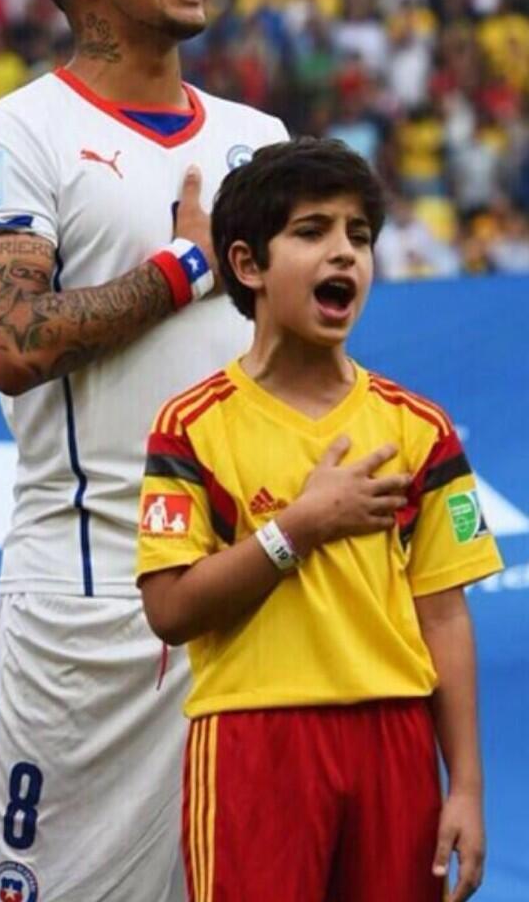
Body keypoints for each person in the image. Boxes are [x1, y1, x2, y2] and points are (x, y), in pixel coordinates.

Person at [0, 0, 291, 901]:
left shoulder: (259, 136)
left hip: (248, 591)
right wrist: (182, 270)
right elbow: (10, 343)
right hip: (91, 606)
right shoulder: (16, 131)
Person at [137, 138, 504, 902]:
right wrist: (298, 528)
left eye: (359, 236)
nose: (344, 254)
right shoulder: (192, 425)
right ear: (248, 265)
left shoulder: (418, 428)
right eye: (312, 232)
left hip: (395, 744)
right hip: (252, 743)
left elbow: (443, 615)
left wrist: (464, 784)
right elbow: (169, 609)